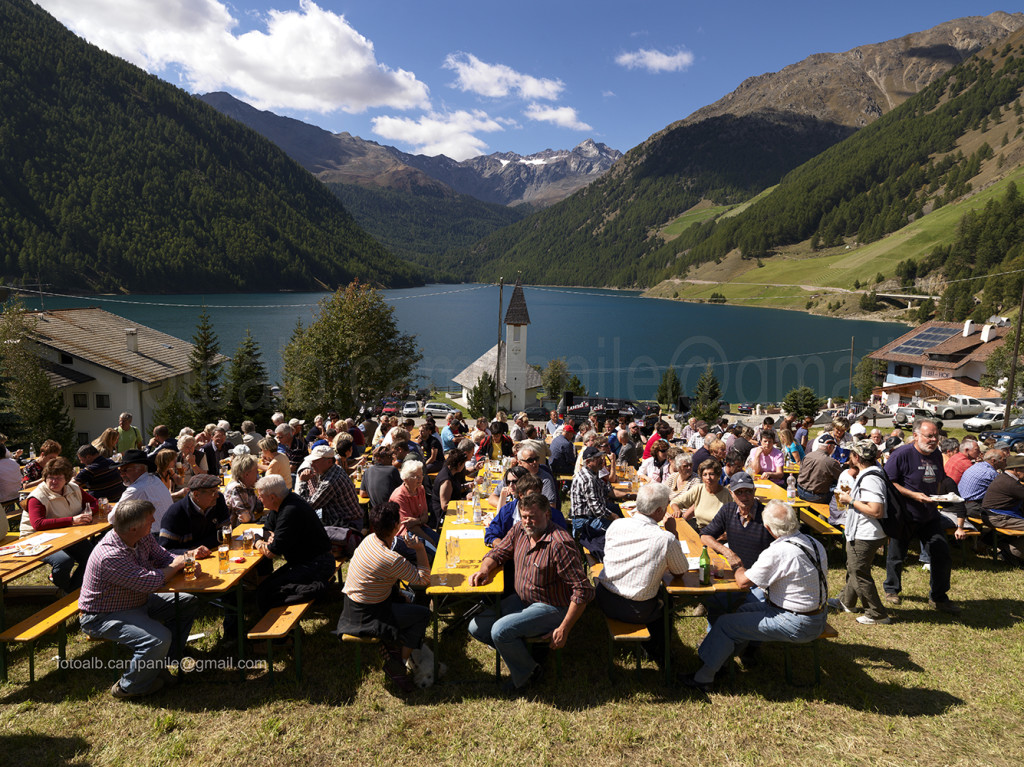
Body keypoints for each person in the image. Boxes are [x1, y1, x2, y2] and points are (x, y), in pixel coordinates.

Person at [681, 501, 828, 693]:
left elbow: (742, 581)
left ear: (768, 527)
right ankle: (722, 661)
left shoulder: (778, 551)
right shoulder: (814, 543)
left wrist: (736, 564)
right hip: (817, 616)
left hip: (796, 621)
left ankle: (704, 677)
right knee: (742, 609)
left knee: (726, 623)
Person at [469, 493, 595, 693]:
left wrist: (564, 628)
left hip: (553, 606)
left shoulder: (560, 544)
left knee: (500, 630)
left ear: (547, 514)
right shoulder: (520, 530)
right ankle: (529, 653)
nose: (528, 521)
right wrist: (485, 569)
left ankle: (528, 674)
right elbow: (498, 552)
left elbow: (583, 590)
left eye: (533, 517)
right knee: (477, 627)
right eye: (524, 516)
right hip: (523, 600)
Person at [79, 499, 200, 698]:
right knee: (157, 639)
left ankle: (163, 663)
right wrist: (177, 566)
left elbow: (164, 557)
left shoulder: (141, 537)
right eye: (149, 519)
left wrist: (183, 562)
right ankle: (128, 687)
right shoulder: (110, 555)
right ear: (134, 527)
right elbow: (151, 583)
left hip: (137, 601)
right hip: (102, 616)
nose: (154, 520)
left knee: (187, 602)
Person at [334, 501, 431, 693]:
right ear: (396, 527)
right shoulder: (391, 558)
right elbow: (423, 579)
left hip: (352, 606)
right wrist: (419, 549)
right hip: (369, 615)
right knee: (423, 614)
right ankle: (399, 664)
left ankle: (398, 648)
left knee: (406, 596)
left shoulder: (370, 539)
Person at [596, 483, 687, 668]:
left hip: (604, 597)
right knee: (666, 599)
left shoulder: (617, 524)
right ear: (660, 510)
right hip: (636, 610)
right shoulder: (664, 538)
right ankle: (660, 653)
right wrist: (673, 532)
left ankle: (653, 647)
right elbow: (680, 571)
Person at [883, 418, 962, 614]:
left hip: (929, 514)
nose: (934, 440)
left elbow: (937, 478)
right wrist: (913, 494)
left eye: (936, 436)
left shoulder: (935, 454)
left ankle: (939, 597)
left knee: (941, 554)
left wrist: (940, 495)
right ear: (916, 435)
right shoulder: (901, 454)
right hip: (905, 514)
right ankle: (892, 590)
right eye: (929, 436)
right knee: (896, 555)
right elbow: (887, 481)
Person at [253, 475, 336, 613]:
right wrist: (271, 536)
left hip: (318, 564)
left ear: (272, 497)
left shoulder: (290, 510)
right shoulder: (280, 504)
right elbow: (267, 529)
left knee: (265, 593)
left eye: (260, 495)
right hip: (305, 561)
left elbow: (271, 552)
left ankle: (317, 589)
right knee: (265, 589)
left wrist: (257, 541)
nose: (259, 498)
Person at [828, 440, 891, 624]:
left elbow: (876, 510)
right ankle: (846, 601)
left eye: (851, 454)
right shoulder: (871, 473)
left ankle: (877, 613)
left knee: (859, 572)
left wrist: (850, 500)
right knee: (855, 568)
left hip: (866, 533)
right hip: (864, 531)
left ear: (856, 457)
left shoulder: (870, 478)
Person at [22, 457, 100, 591]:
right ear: (45, 478)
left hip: (65, 533)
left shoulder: (73, 488)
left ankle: (73, 590)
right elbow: (38, 524)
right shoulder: (37, 496)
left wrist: (88, 513)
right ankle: (67, 590)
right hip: (35, 540)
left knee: (93, 556)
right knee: (63, 561)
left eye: (58, 478)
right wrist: (72, 520)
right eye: (50, 477)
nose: (53, 481)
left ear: (67, 479)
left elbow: (94, 502)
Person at [568, 450, 629, 550]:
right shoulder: (588, 478)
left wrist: (628, 495)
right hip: (584, 521)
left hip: (592, 515)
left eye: (601, 457)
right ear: (588, 462)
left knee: (618, 509)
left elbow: (608, 491)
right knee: (619, 529)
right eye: (597, 459)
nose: (602, 460)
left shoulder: (593, 473)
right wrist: (615, 517)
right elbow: (597, 509)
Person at [158, 473, 230, 554]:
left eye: (217, 490)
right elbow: (165, 551)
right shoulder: (174, 514)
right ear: (196, 494)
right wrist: (191, 552)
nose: (217, 495)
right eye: (213, 492)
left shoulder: (218, 501)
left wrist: (198, 547)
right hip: (188, 563)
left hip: (214, 554)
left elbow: (224, 532)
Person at [297, 444, 362, 529]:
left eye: (315, 461)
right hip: (349, 520)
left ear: (329, 461)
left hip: (347, 526)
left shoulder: (330, 482)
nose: (312, 465)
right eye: (311, 461)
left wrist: (303, 482)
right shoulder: (336, 468)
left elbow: (308, 506)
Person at [979, 453, 1024, 565]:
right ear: (1015, 469)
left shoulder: (1004, 477)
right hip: (998, 517)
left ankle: (995, 544)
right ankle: (1012, 551)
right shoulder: (1010, 483)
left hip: (992, 515)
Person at [115, 449, 173, 535]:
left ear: (139, 469)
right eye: (120, 471)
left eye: (125, 470)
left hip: (157, 536)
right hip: (172, 530)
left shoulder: (136, 489)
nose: (121, 474)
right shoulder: (155, 479)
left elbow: (113, 518)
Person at [389, 460, 438, 553]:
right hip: (404, 534)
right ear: (405, 478)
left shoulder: (420, 489)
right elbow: (409, 526)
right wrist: (429, 540)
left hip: (420, 526)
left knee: (442, 542)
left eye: (421, 475)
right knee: (433, 551)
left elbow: (425, 517)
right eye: (416, 476)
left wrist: (417, 521)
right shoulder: (399, 496)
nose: (420, 479)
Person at [670, 458, 732, 529]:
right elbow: (675, 502)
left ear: (718, 475)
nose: (708, 477)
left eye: (711, 474)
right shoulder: (698, 489)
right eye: (705, 475)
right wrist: (677, 510)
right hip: (700, 530)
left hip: (719, 534)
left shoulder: (727, 494)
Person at [795, 435, 842, 504]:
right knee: (840, 491)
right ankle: (833, 513)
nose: (833, 449)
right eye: (833, 447)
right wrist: (837, 465)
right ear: (829, 446)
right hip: (816, 496)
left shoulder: (808, 455)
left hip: (800, 491)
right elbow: (842, 477)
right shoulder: (830, 462)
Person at [224, 454, 263, 523]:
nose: (258, 474)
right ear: (246, 475)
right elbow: (246, 518)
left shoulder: (248, 486)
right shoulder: (237, 489)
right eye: (256, 471)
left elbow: (259, 508)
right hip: (236, 530)